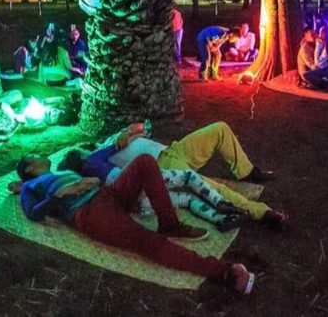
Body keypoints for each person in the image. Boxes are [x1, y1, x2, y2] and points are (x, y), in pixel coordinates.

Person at [15, 153, 257, 295]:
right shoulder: (28, 187)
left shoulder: (58, 171)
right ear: (28, 167)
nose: (41, 154)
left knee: (144, 162)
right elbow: (33, 213)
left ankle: (169, 223)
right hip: (89, 213)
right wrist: (59, 194)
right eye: (35, 155)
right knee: (147, 242)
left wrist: (88, 181)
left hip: (106, 195)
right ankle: (222, 271)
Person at [103, 122, 285, 228]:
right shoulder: (98, 161)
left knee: (220, 129)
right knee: (214, 187)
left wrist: (126, 132)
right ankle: (261, 212)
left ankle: (247, 171)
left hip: (174, 149)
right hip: (162, 166)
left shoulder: (113, 137)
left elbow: (142, 126)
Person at [60, 143, 250, 232]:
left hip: (136, 205)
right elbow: (116, 145)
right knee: (188, 177)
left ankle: (220, 219)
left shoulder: (84, 181)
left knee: (186, 200)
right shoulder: (91, 158)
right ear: (81, 155)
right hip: (136, 183)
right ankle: (221, 203)